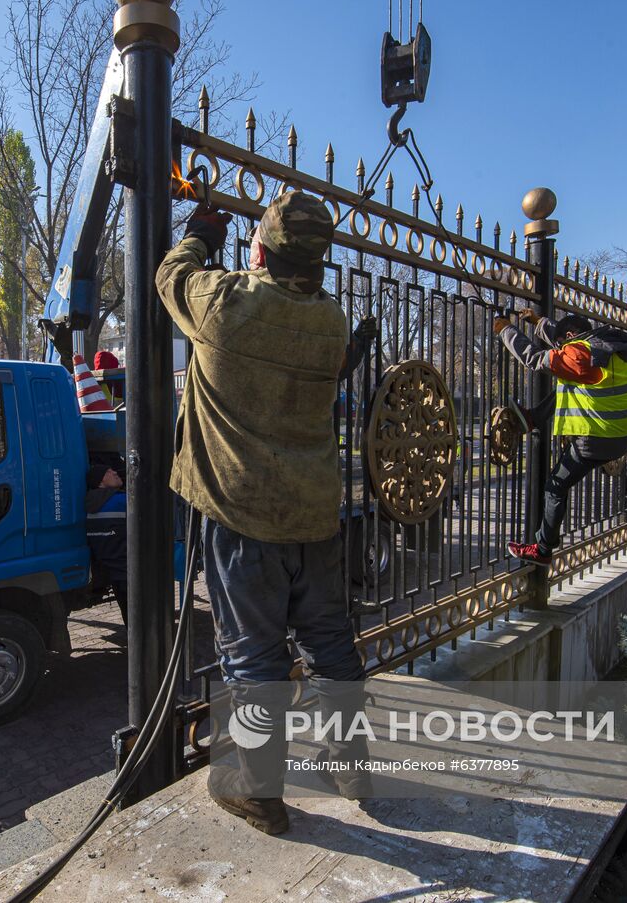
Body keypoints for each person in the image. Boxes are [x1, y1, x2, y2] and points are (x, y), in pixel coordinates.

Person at [156, 191, 375, 836]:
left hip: (243, 517)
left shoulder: (224, 305)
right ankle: (350, 764)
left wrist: (200, 232)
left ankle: (258, 793)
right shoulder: (332, 322)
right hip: (314, 515)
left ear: (261, 248)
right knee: (331, 642)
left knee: (252, 658)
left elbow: (171, 275)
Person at [494, 308, 627, 566]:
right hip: (624, 434)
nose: (561, 347)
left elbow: (535, 359)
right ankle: (532, 419)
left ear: (573, 336)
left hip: (597, 439)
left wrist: (504, 329)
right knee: (566, 379)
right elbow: (565, 341)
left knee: (555, 487)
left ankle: (542, 550)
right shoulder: (610, 344)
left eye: (564, 343)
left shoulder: (581, 355)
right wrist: (538, 321)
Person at [84, 463, 128, 623]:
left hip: (111, 572)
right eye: (109, 471)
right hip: (130, 569)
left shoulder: (89, 505)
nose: (115, 472)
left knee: (129, 615)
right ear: (100, 481)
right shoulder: (121, 501)